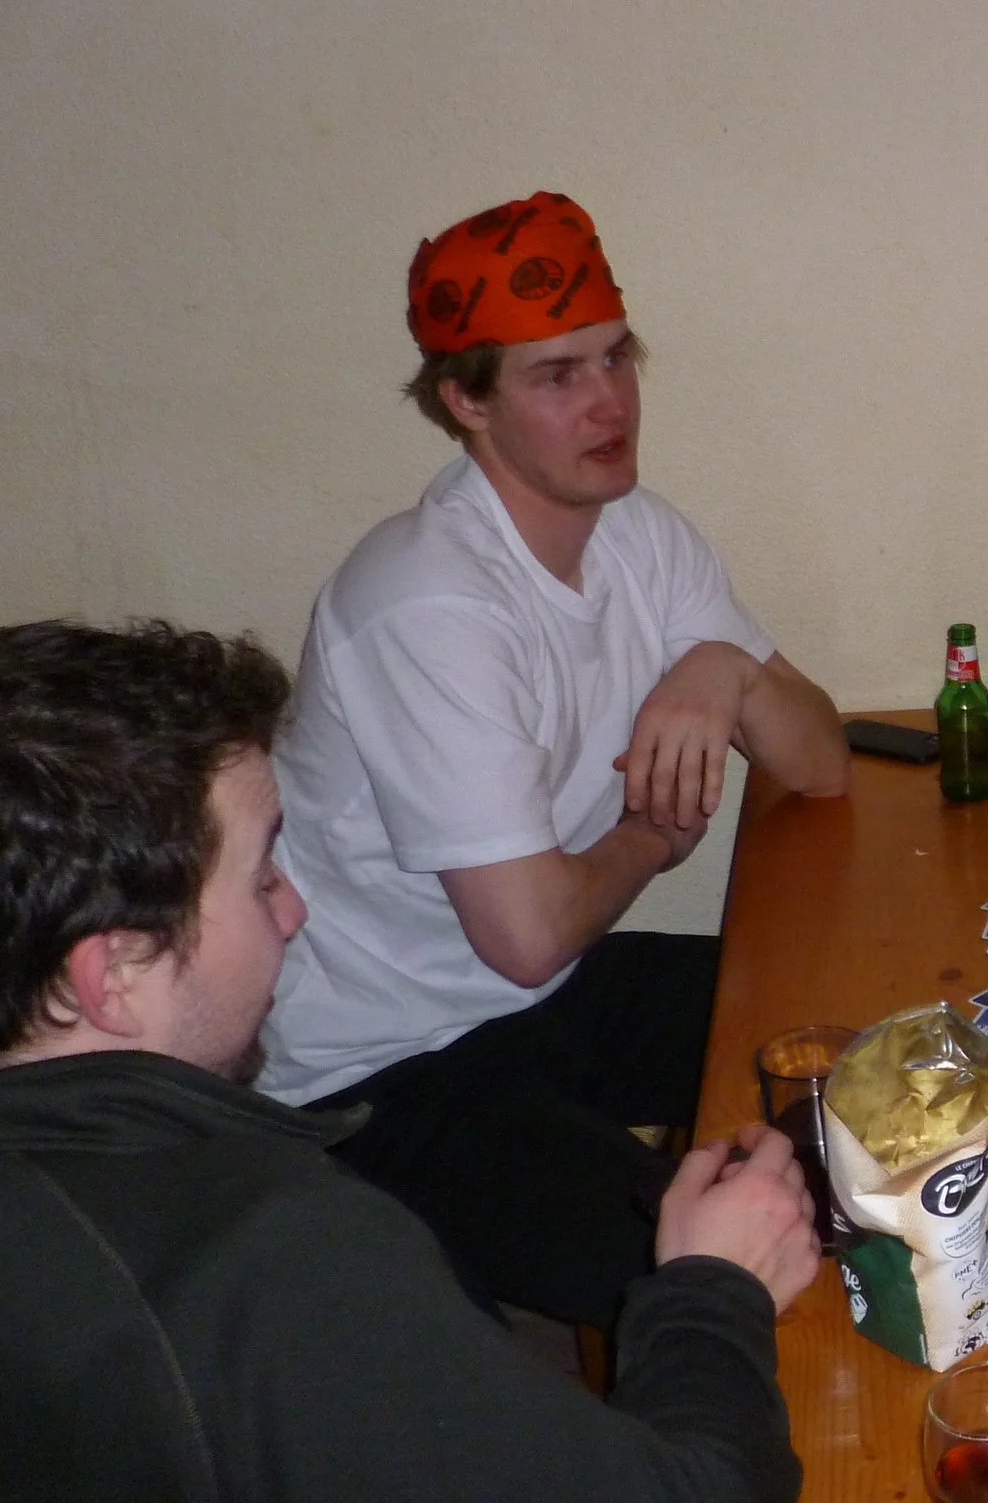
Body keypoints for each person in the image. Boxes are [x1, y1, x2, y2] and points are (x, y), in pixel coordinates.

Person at [0, 619, 819, 1503]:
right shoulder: (272, 1270)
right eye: (262, 874)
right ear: (110, 975)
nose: (293, 909)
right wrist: (712, 1290)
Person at [260, 190, 849, 1333]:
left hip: (545, 996)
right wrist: (652, 837)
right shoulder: (427, 599)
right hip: (378, 1070)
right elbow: (526, 936)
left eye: (616, 358)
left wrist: (727, 670)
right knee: (736, 1280)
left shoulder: (641, 534)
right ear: (465, 401)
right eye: (557, 376)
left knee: (853, 1045)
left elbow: (822, 762)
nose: (608, 402)